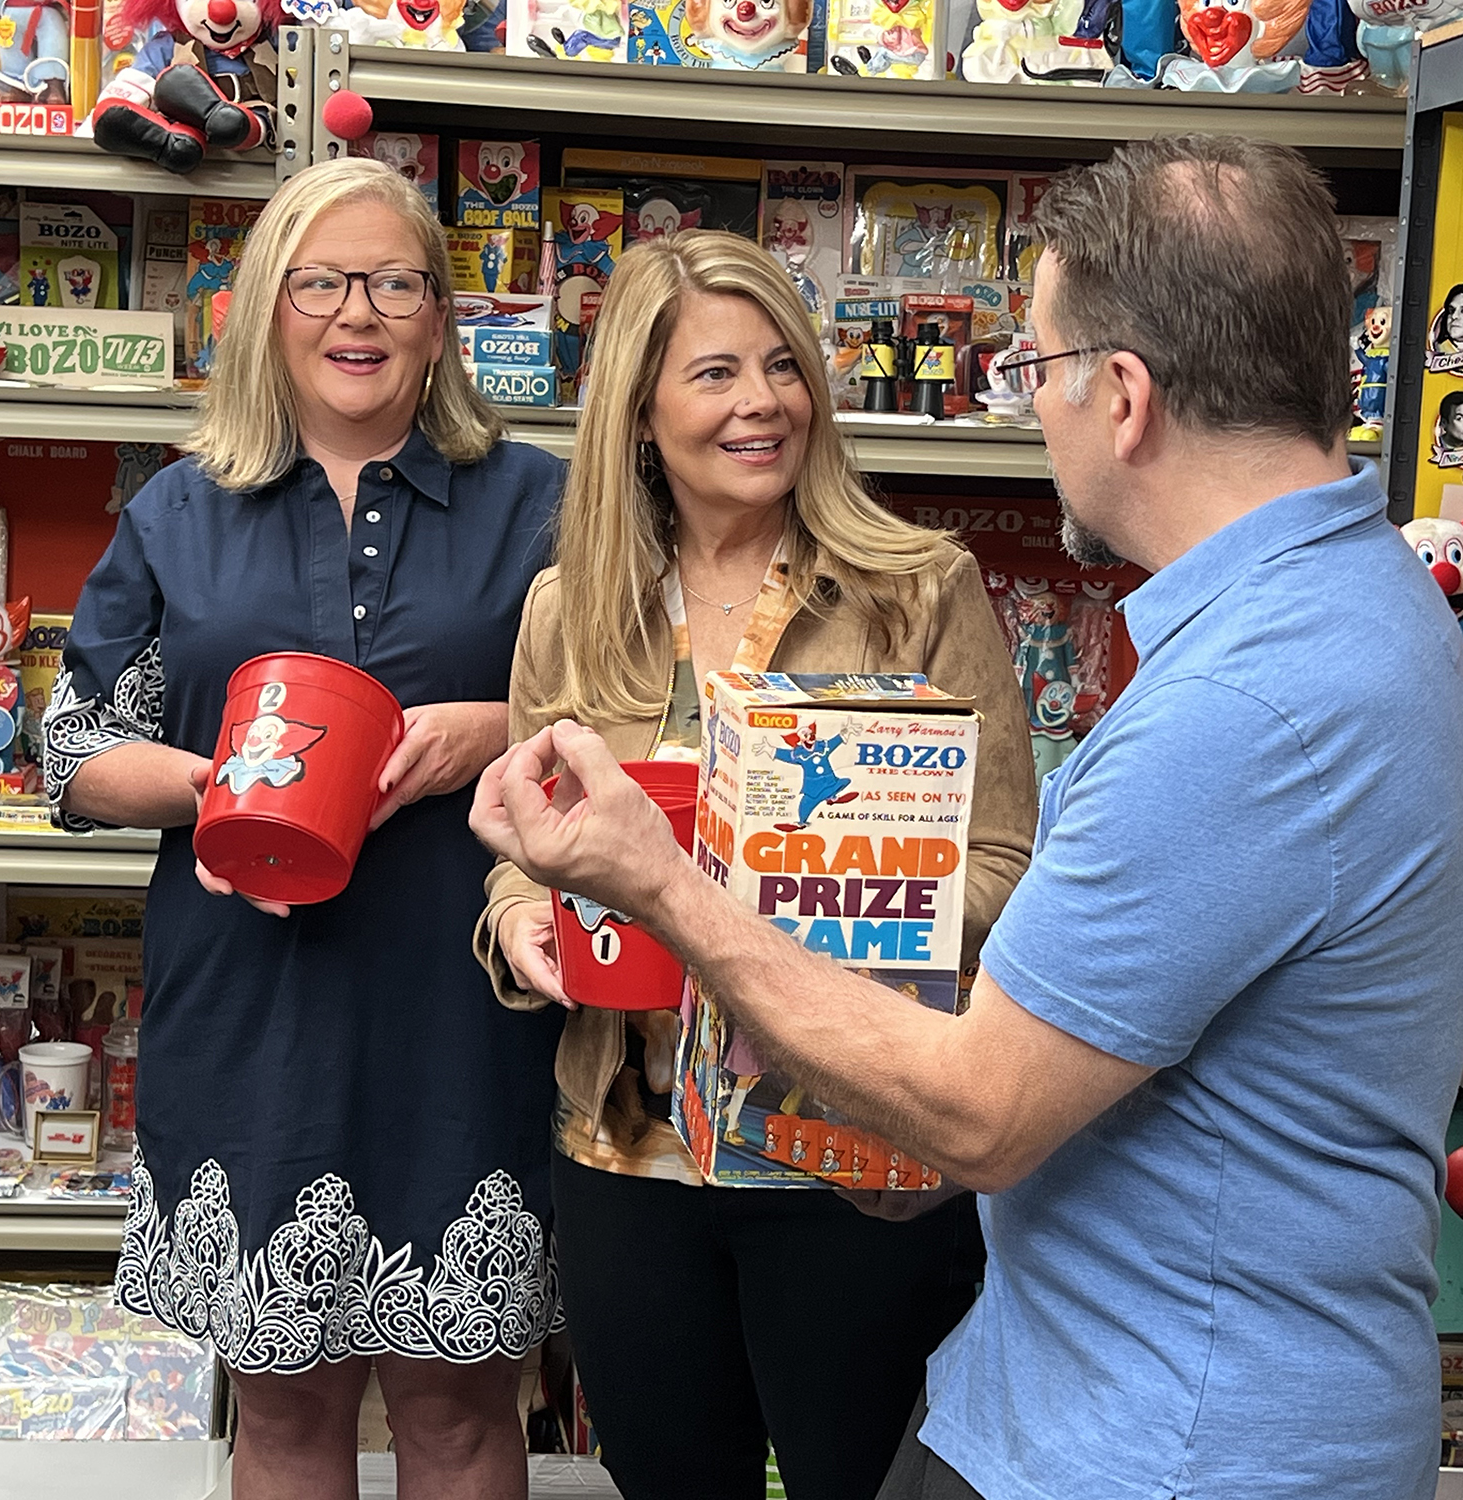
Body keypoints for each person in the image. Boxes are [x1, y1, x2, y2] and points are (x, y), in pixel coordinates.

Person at [470, 135, 1463, 1500]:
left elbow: (982, 1105)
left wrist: (677, 888)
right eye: (712, 371)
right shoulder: (1355, 608)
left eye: (1038, 367)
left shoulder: (1240, 703)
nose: (1031, 408)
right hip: (1078, 1370)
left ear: (1122, 395)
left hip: (1161, 1441)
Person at [474, 229, 1036, 1500]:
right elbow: (524, 846)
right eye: (715, 373)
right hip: (625, 1151)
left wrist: (835, 911)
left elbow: (1005, 860)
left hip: (853, 1147)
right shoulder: (570, 610)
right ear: (638, 412)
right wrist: (520, 918)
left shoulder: (917, 590)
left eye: (782, 367)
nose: (761, 403)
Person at [44, 157, 565, 1500]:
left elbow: (639, 710)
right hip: (250, 1012)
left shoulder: (540, 503)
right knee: (281, 1418)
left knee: (457, 1413)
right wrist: (224, 786)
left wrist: (489, 729)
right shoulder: (181, 508)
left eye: (396, 282)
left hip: (469, 1004)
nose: (359, 312)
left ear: (443, 317)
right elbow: (74, 748)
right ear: (267, 310)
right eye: (320, 281)